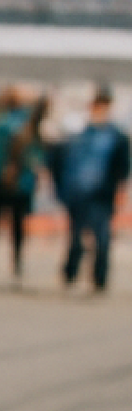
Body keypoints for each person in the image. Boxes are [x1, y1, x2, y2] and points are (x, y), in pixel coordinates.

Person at [57, 85, 130, 293]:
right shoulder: (80, 133)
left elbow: (122, 168)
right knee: (76, 236)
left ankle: (99, 278)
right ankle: (70, 273)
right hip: (78, 192)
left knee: (102, 237)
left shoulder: (116, 137)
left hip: (103, 194)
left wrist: (120, 192)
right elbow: (66, 162)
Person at [0, 83, 42, 283]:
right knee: (16, 224)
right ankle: (15, 262)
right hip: (18, 182)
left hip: (1, 179)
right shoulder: (26, 124)